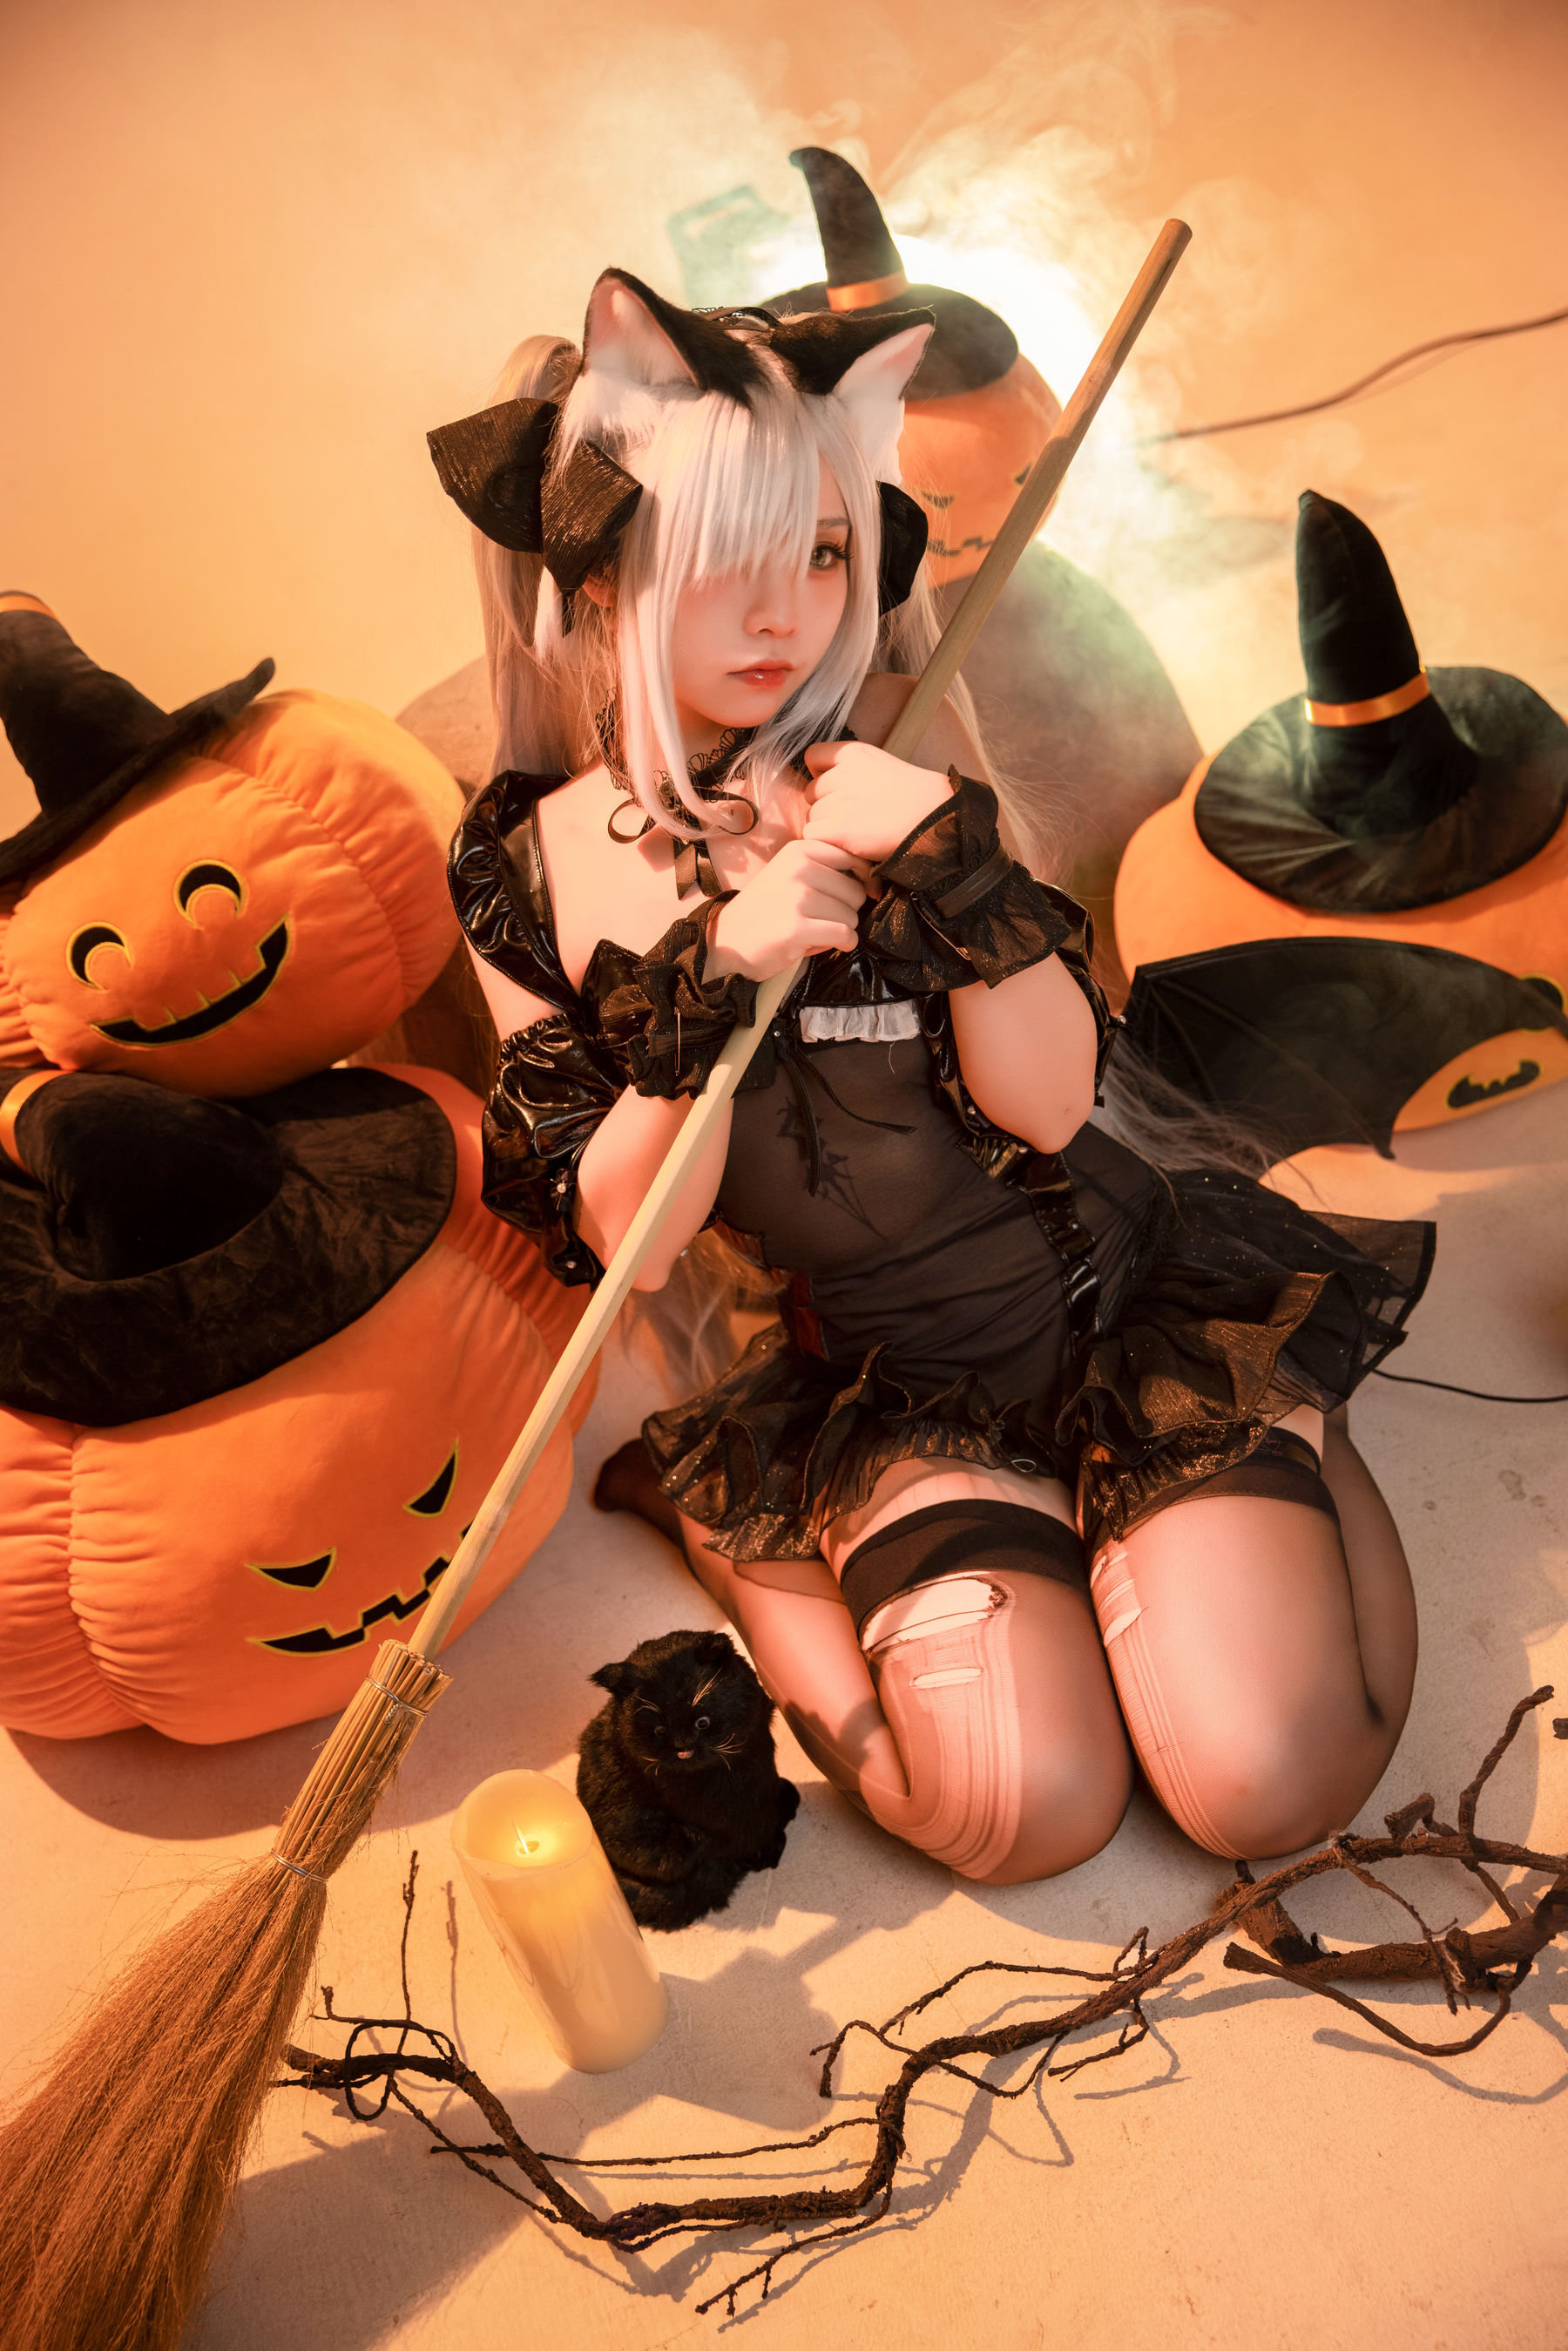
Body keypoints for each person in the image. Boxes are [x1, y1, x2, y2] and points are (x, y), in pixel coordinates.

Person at [437, 267, 1433, 1887]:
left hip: (1128, 1302)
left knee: (1267, 1781)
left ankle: (1288, 1423)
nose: (787, 617)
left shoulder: (903, 732)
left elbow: (1048, 1109)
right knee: (1022, 1813)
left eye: (824, 553)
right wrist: (720, 974)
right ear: (606, 578)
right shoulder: (538, 869)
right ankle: (749, 1550)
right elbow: (634, 1237)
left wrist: (954, 872)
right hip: (893, 1390)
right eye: (729, 563)